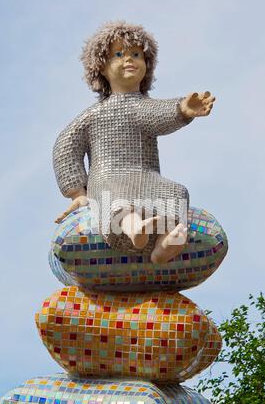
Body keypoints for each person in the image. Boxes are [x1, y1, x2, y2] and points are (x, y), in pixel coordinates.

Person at [53, 21, 215, 263]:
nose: (129, 59)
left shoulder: (142, 107)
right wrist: (77, 191)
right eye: (119, 54)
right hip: (108, 177)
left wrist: (183, 109)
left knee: (176, 191)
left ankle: (164, 245)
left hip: (147, 176)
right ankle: (133, 230)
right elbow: (66, 146)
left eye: (136, 54)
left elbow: (159, 115)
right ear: (102, 67)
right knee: (116, 196)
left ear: (146, 64)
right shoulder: (93, 115)